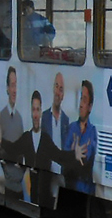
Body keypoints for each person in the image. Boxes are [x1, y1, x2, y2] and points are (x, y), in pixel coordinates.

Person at [0, 65, 24, 192]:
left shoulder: (19, 117)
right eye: (12, 85)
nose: (15, 90)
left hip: (19, 184)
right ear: (7, 89)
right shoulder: (1, 116)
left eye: (16, 86)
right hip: (6, 183)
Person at [63, 80, 98, 193]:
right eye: (80, 99)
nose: (81, 104)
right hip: (70, 187)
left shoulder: (92, 132)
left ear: (90, 107)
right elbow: (64, 158)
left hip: (86, 191)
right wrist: (74, 155)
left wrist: (73, 155)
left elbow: (85, 159)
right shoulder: (71, 128)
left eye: (84, 99)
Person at [41, 72, 70, 202]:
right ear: (53, 88)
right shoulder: (45, 116)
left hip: (61, 173)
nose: (58, 92)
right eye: (56, 87)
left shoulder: (66, 120)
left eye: (61, 89)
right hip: (47, 171)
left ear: (63, 95)